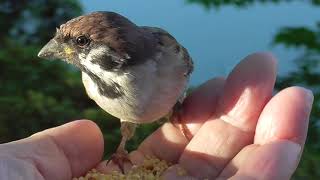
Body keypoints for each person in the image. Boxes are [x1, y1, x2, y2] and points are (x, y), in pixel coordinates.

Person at [0, 53, 313, 180]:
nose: (59, 50)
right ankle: (123, 146)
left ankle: (175, 110)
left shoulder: (169, 59)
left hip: (167, 94)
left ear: (117, 54)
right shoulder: (92, 80)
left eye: (80, 44)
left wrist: (177, 105)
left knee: (179, 109)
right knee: (127, 124)